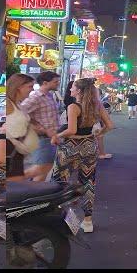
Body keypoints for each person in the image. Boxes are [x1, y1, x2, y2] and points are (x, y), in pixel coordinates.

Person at [50, 78, 114, 233]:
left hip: (70, 147)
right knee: (88, 182)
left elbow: (71, 130)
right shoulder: (97, 105)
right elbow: (110, 125)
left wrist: (56, 136)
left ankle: (59, 217)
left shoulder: (73, 106)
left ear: (78, 91)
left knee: (59, 182)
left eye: (72, 87)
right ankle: (87, 221)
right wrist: (98, 133)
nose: (70, 89)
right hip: (89, 146)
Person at [20, 71, 60, 182]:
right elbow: (20, 113)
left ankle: (34, 192)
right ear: (45, 83)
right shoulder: (36, 97)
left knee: (45, 167)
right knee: (41, 167)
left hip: (50, 137)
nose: (58, 84)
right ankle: (12, 182)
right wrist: (40, 128)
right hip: (41, 138)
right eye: (55, 82)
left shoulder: (49, 96)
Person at [5, 73, 37, 180]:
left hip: (17, 150)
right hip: (10, 149)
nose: (32, 90)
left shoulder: (18, 104)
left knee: (17, 182)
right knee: (15, 183)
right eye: (30, 86)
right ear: (18, 86)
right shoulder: (8, 104)